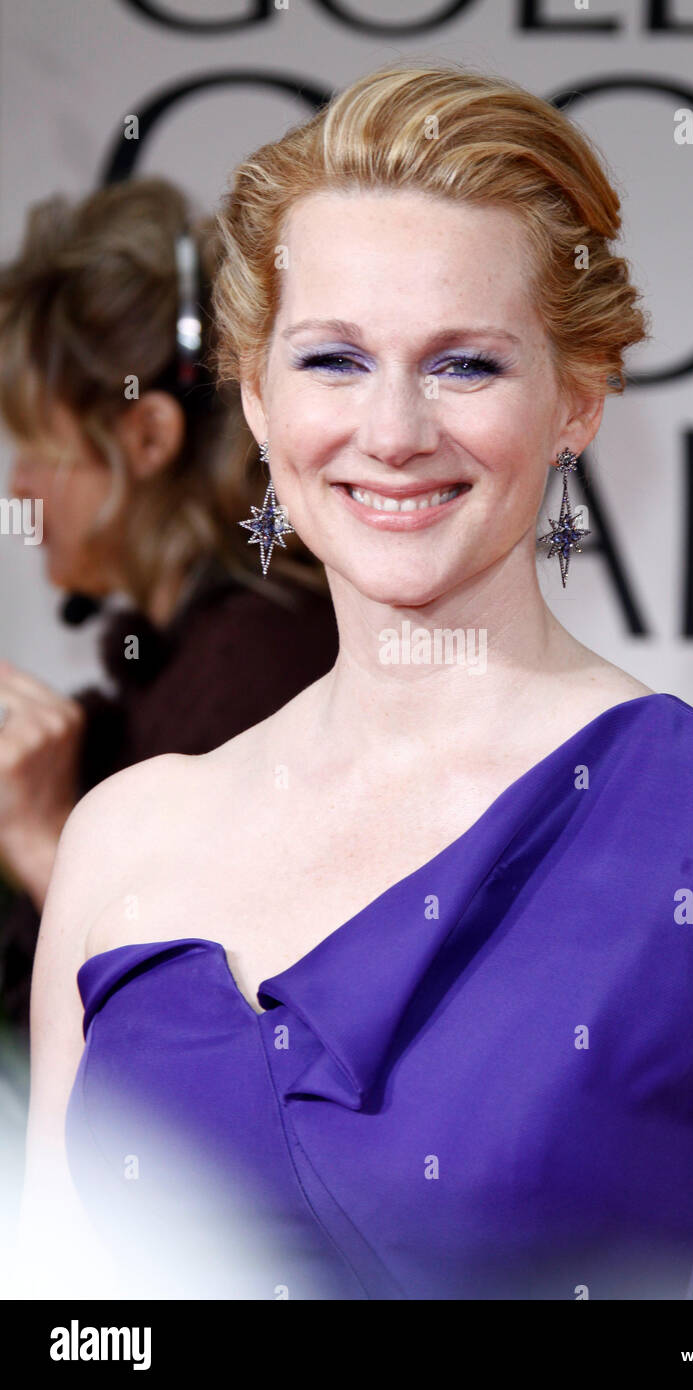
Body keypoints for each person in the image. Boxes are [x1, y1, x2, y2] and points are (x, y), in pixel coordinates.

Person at [18, 62, 693, 1301]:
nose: (396, 429)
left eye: (465, 364)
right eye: (332, 362)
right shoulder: (118, 838)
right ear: (255, 396)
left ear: (576, 398)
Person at [0, 178, 338, 1047]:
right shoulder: (184, 663)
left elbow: (208, 1049)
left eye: (39, 453)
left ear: (147, 438)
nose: (18, 490)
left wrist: (38, 839)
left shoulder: (261, 675)